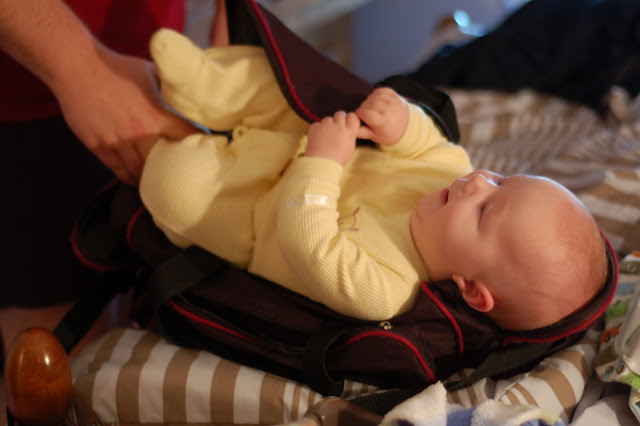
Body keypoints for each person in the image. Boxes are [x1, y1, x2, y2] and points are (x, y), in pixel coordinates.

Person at [138, 28, 610, 333]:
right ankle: (202, 81)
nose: (478, 183)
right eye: (503, 180)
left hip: (256, 216)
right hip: (304, 139)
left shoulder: (387, 288)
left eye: (486, 210)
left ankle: (159, 137)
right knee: (278, 87)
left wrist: (323, 164)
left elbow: (309, 245)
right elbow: (429, 144)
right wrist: (402, 123)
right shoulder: (451, 174)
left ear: (470, 288)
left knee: (178, 191)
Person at [0, 0, 224, 360]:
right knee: (66, 359)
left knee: (130, 333)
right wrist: (81, 68)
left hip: (148, 67)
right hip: (26, 89)